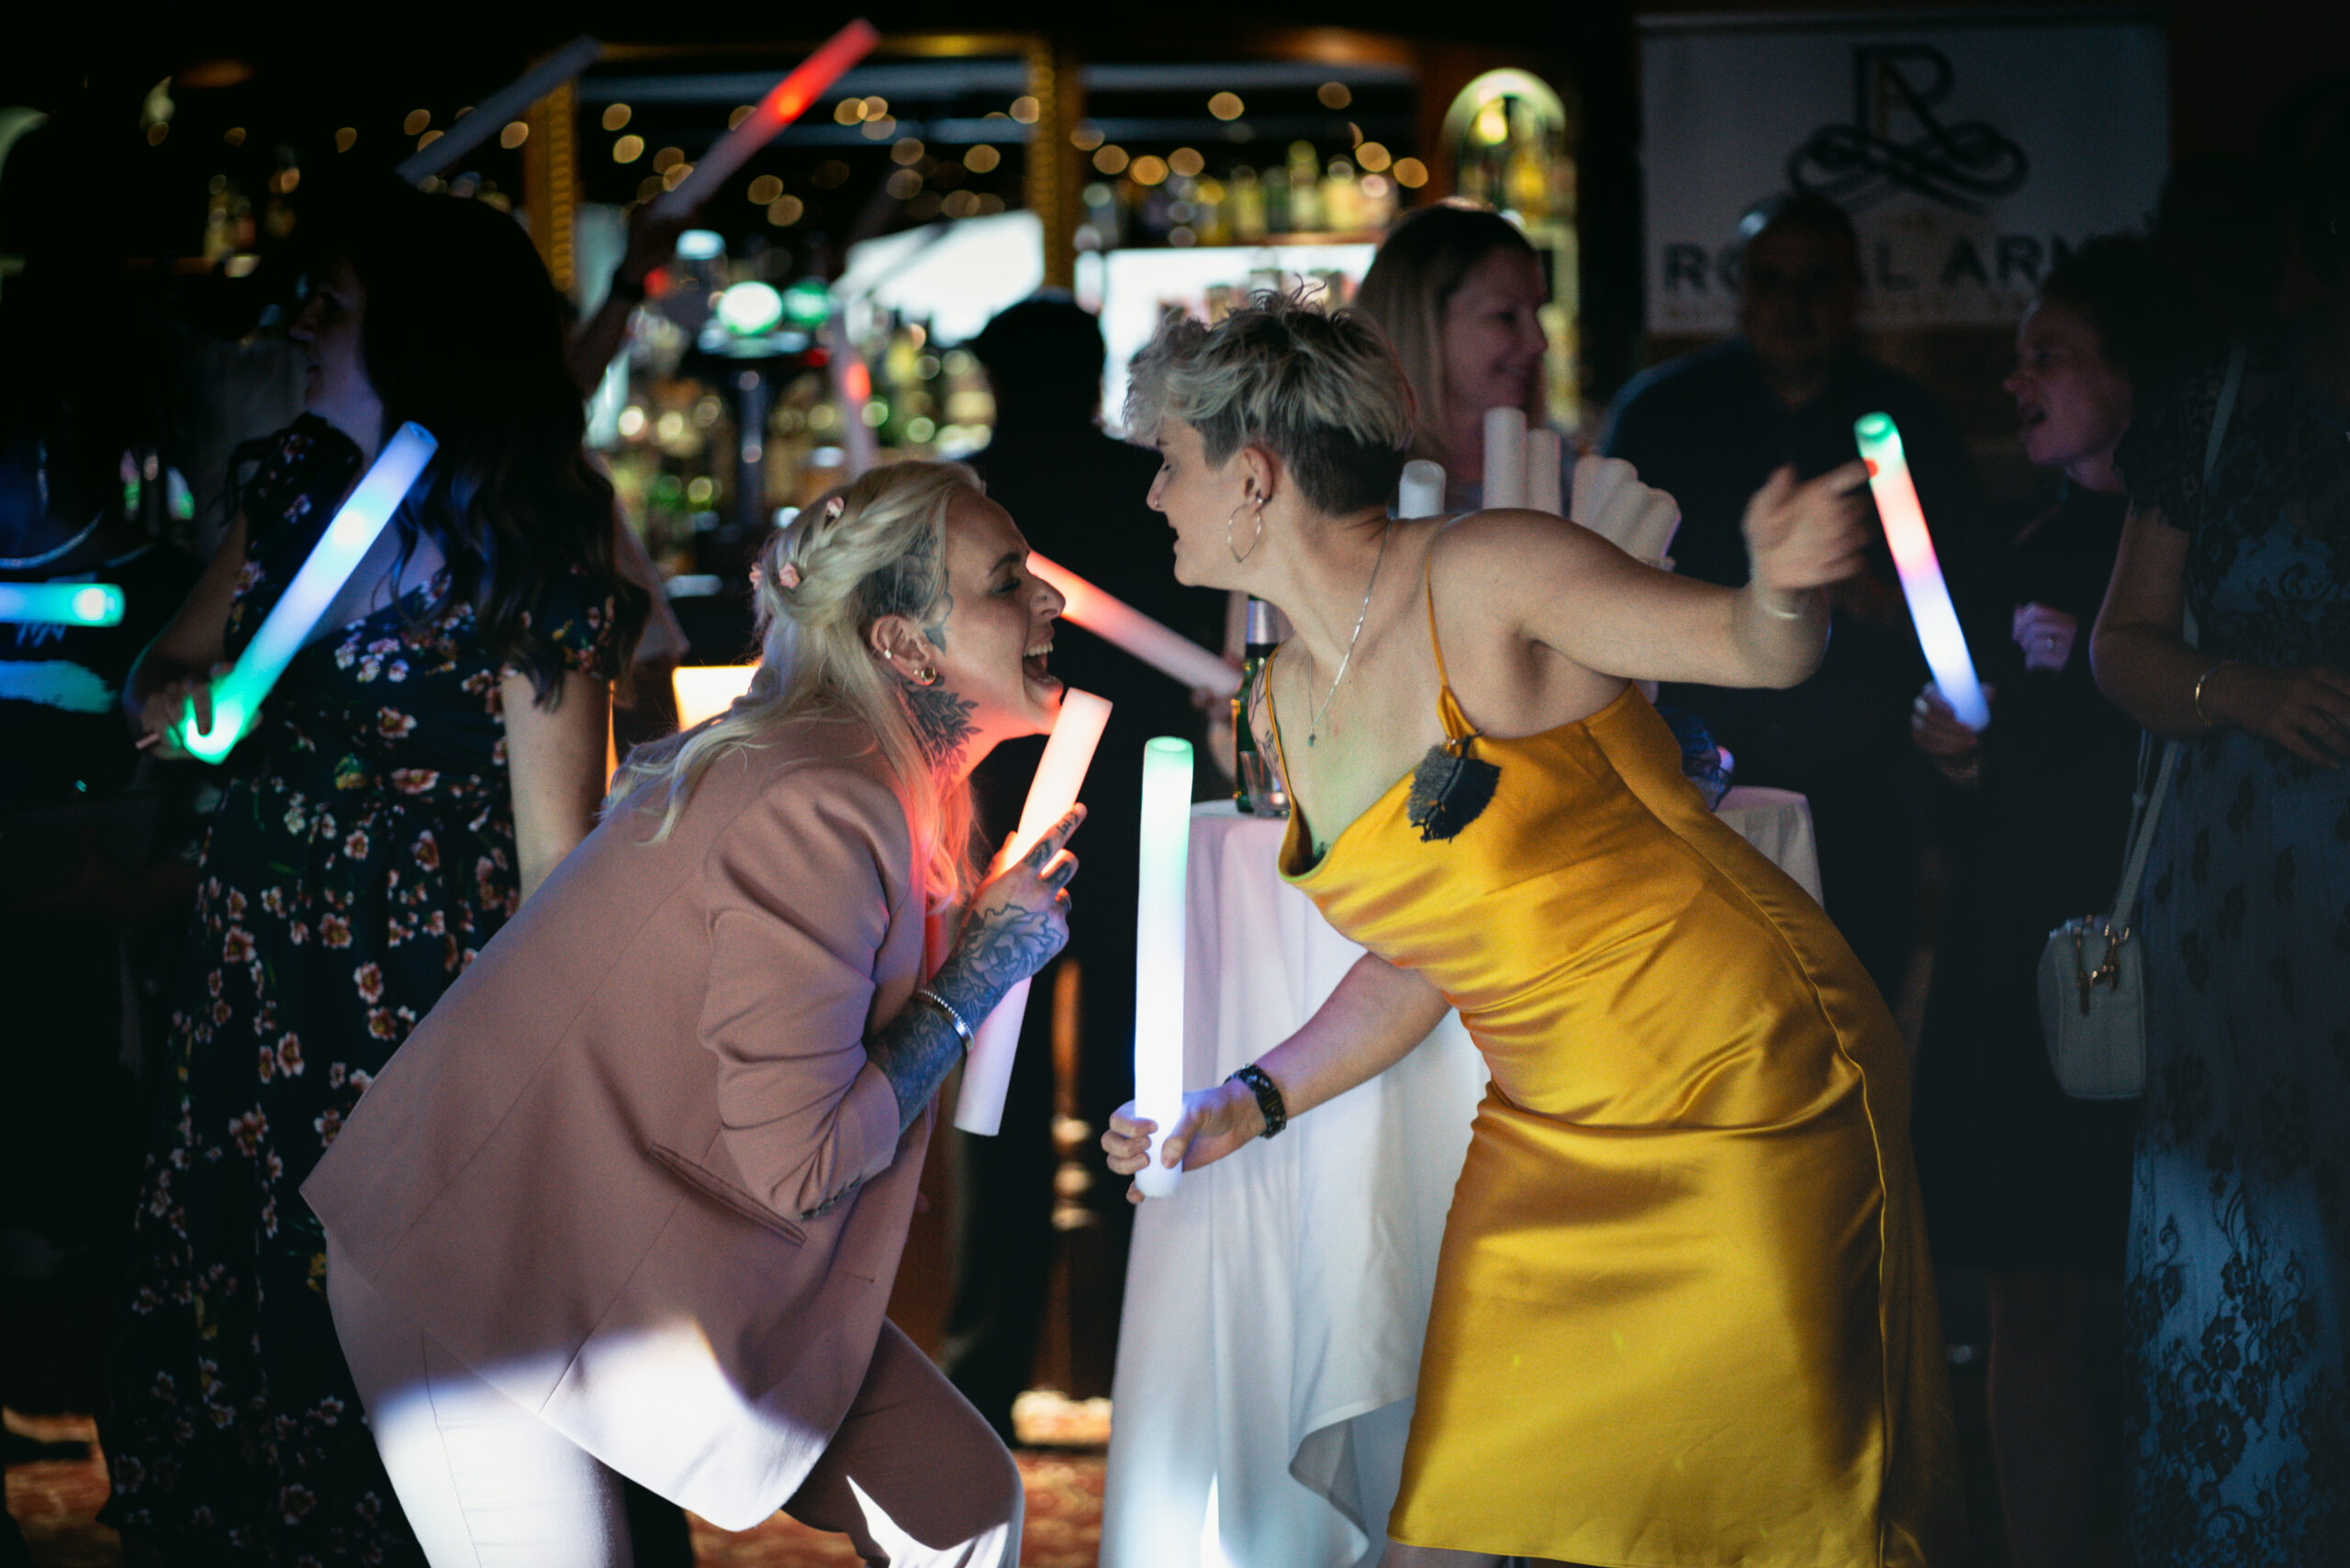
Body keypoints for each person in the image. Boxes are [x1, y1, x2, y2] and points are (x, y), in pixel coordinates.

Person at [1106, 295, 1960, 1567]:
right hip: (1550, 1127)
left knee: (1770, 1525)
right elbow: (1423, 952)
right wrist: (1250, 1100)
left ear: (1253, 477)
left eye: (1169, 460)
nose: (1152, 495)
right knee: (1457, 1522)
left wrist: (1782, 587)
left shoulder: (1483, 569)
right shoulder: (1280, 699)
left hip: (1746, 1078)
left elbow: (1750, 647)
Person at [301, 460, 1079, 1567]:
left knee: (957, 1500)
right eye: (1008, 581)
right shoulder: (820, 798)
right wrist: (977, 978)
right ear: (905, 646)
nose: (1050, 599)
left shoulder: (866, 775)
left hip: (642, 1245)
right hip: (478, 1264)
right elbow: (801, 1162)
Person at [101, 184, 648, 1564]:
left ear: (421, 335)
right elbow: (168, 661)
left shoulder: (528, 542)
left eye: (331, 307)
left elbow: (556, 865)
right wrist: (172, 698)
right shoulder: (293, 487)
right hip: (253, 984)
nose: (298, 327)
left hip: (413, 1011)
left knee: (395, 1356)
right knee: (236, 1317)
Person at [2090, 96, 2350, 1564]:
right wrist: (2242, 688)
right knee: (2260, 1256)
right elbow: (2120, 648)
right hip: (2252, 908)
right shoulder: (2225, 398)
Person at [1908, 235, 2186, 1568]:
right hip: (2018, 955)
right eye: (2016, 356)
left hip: (2167, 951)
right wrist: (1956, 755)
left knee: (2171, 1275)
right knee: (2028, 1286)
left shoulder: (2204, 550)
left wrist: (2104, 672)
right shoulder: (2008, 536)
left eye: (2049, 356)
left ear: (2132, 374)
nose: (2017, 381)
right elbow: (1969, 787)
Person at [938, 296, 1224, 1441]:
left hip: (1003, 823)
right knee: (1133, 1084)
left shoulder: (968, 501)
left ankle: (984, 1372)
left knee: (998, 1103)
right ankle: (1139, 1357)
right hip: (1141, 811)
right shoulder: (1144, 485)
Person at [1605, 192, 1984, 1001]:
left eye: (1817, 281)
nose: (1793, 303)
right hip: (1695, 786)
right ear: (1738, 288)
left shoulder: (1905, 421)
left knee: (1857, 1016)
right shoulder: (1661, 414)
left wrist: (1870, 596)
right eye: (1770, 280)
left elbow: (1968, 612)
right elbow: (1606, 594)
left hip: (1864, 789)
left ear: (1854, 291)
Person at [1351, 202, 1548, 512]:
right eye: (1506, 315)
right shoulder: (1355, 500)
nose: (1539, 342)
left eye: (1537, 312)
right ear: (1420, 325)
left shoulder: (1561, 472)